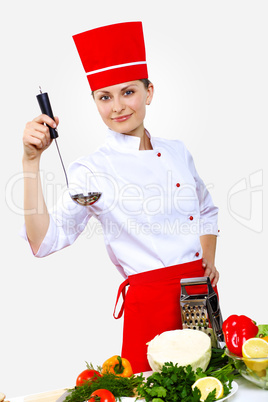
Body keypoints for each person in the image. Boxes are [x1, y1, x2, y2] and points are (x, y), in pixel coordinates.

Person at [22, 21, 220, 373]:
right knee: (152, 391)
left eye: (128, 92)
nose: (117, 107)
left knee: (213, 385)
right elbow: (44, 242)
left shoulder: (177, 151)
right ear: (95, 102)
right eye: (105, 97)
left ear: (149, 92)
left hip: (201, 299)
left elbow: (206, 208)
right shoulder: (92, 170)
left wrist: (206, 258)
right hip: (150, 307)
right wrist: (31, 162)